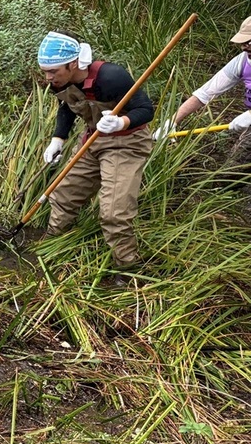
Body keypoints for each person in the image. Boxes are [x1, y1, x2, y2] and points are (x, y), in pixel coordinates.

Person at [37, 31, 155, 284]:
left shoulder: (111, 78)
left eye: (53, 71)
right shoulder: (59, 82)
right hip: (93, 140)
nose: (48, 78)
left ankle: (128, 269)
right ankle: (53, 244)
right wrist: (58, 139)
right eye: (45, 71)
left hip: (127, 143)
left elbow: (146, 110)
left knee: (114, 211)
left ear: (72, 64)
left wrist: (121, 121)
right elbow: (66, 107)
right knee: (63, 194)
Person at [163, 15, 251, 136]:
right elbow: (205, 93)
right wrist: (172, 121)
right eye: (242, 43)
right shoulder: (242, 62)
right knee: (240, 154)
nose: (244, 48)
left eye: (249, 42)